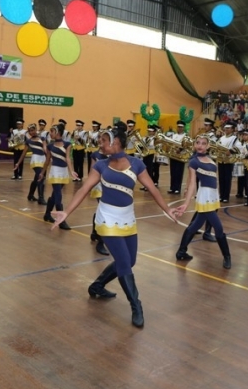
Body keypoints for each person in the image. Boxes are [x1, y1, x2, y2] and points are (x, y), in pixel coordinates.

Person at [51, 122, 177, 328]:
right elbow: (84, 190)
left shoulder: (137, 164)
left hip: (128, 218)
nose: (99, 144)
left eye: (103, 141)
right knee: (124, 262)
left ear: (116, 142)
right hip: (107, 219)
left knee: (130, 260)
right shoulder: (100, 165)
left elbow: (153, 189)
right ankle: (136, 305)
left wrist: (167, 209)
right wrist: (66, 212)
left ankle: (97, 285)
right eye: (99, 140)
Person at [174, 135, 232, 269]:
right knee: (218, 228)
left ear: (208, 146)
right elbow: (193, 182)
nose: (200, 145)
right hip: (204, 196)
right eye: (198, 143)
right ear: (194, 145)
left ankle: (181, 252)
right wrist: (186, 202)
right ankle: (227, 256)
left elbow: (214, 180)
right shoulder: (194, 162)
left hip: (213, 196)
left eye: (203, 143)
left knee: (195, 226)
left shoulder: (211, 160)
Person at [40, 123, 77, 230]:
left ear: (58, 132)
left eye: (52, 131)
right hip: (55, 171)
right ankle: (62, 221)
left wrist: (72, 171)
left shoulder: (67, 144)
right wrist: (42, 173)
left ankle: (47, 214)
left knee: (54, 195)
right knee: (58, 195)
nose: (50, 133)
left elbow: (68, 158)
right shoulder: (50, 146)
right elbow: (47, 161)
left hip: (63, 171)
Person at [14, 123, 47, 205]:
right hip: (35, 160)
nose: (32, 132)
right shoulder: (28, 141)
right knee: (40, 177)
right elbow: (23, 153)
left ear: (36, 130)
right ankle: (41, 198)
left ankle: (30, 195)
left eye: (33, 130)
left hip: (43, 159)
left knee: (37, 178)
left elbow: (45, 149)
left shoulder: (42, 138)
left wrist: (51, 157)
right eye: (30, 131)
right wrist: (18, 163)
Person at [216, 120, 242, 203]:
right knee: (221, 179)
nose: (226, 130)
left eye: (228, 128)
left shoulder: (234, 139)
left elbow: (239, 148)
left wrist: (230, 151)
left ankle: (226, 196)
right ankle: (221, 195)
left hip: (229, 161)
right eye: (225, 128)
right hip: (221, 160)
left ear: (232, 129)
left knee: (227, 179)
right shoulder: (222, 138)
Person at [168, 120, 190, 194]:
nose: (179, 128)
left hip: (180, 156)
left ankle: (177, 188)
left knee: (179, 172)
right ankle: (172, 187)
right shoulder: (173, 135)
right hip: (173, 155)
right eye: (178, 127)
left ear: (183, 128)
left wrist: (180, 149)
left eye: (181, 127)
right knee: (173, 172)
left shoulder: (186, 136)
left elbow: (187, 145)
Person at [140, 124, 158, 191]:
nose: (149, 132)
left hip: (151, 154)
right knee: (145, 170)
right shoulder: (145, 138)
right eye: (148, 131)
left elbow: (154, 146)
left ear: (154, 132)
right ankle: (145, 185)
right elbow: (141, 145)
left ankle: (149, 185)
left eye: (151, 131)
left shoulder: (155, 139)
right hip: (145, 155)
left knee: (150, 171)